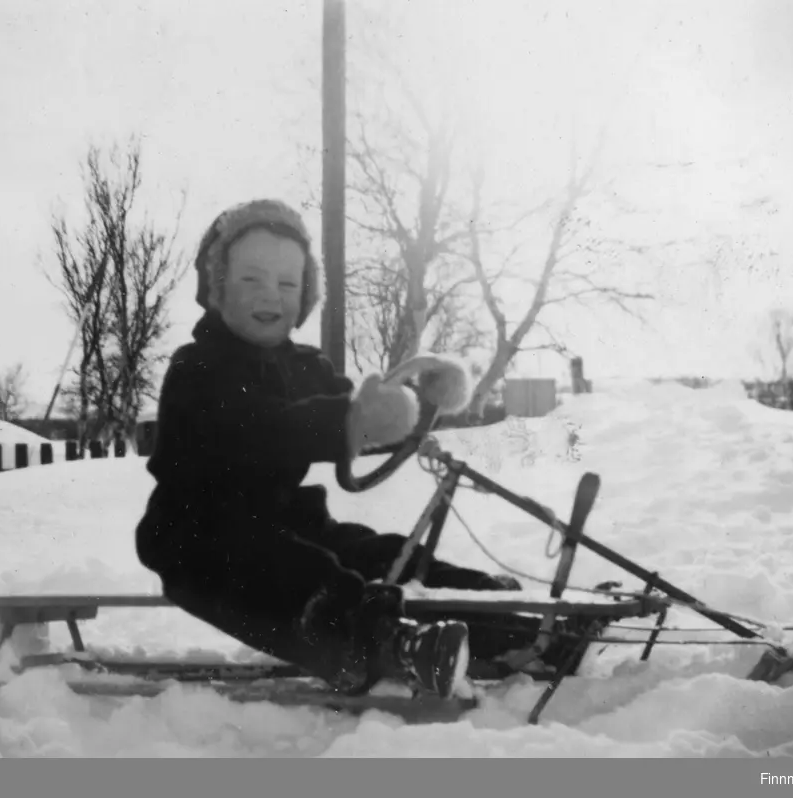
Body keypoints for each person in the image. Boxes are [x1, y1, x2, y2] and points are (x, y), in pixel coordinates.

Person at [135, 199, 520, 699]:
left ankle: (504, 622)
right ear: (218, 287)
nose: (270, 295)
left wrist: (418, 404)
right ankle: (388, 646)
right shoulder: (197, 368)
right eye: (251, 279)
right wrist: (347, 420)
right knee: (298, 575)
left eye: (288, 283)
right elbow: (259, 429)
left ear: (306, 294)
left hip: (286, 520)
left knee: (380, 555)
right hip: (197, 532)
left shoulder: (304, 364)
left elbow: (357, 411)